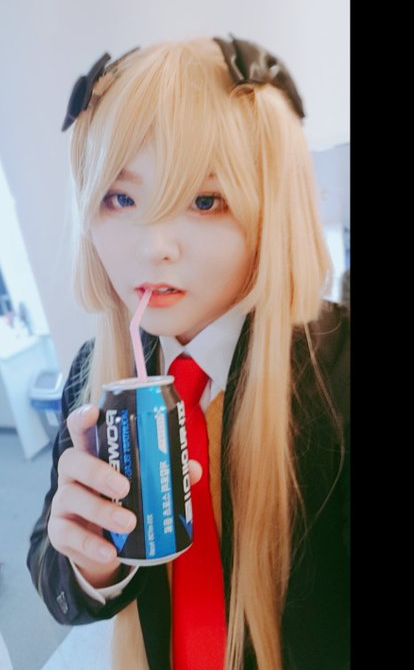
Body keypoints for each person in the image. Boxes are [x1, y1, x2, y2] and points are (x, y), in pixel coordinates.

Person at [27, 35, 349, 670]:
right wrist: (91, 563)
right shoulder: (95, 375)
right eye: (121, 198)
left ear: (271, 212)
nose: (154, 248)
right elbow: (54, 572)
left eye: (205, 201)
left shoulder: (338, 370)